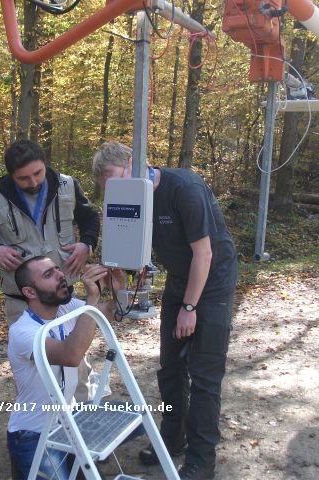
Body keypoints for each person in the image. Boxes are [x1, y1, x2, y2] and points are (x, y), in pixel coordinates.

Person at [92, 141, 238, 480]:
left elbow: (204, 255)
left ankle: (202, 460)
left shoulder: (184, 188)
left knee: (204, 373)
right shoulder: (131, 198)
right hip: (178, 279)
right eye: (107, 186)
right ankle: (173, 437)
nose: (114, 190)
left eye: (115, 178)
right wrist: (117, 277)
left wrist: (190, 307)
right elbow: (130, 250)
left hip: (212, 280)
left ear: (133, 162)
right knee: (171, 365)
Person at [0, 139, 100, 400]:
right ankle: (37, 430)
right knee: (34, 369)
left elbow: (90, 218)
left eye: (38, 173)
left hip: (63, 296)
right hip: (21, 300)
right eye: (23, 178)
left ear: (45, 164)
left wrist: (87, 245)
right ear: (11, 176)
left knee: (76, 360)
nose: (33, 182)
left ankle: (81, 418)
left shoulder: (68, 185)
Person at [7, 256, 124, 479]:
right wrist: (92, 298)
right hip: (33, 434)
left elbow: (113, 313)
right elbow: (71, 355)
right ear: (30, 292)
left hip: (68, 423)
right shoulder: (22, 331)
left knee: (132, 417)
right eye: (48, 275)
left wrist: (119, 289)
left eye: (57, 269)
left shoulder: (65, 308)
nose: (60, 275)